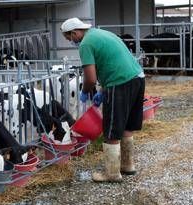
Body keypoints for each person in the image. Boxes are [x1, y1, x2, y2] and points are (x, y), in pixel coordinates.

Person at [60, 18, 145, 182]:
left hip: (120, 82)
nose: (71, 42)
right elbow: (113, 62)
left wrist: (85, 92)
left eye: (69, 38)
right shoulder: (101, 33)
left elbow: (90, 79)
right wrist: (104, 90)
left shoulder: (85, 44)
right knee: (127, 123)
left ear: (75, 32)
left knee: (111, 126)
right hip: (138, 77)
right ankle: (127, 165)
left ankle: (112, 174)